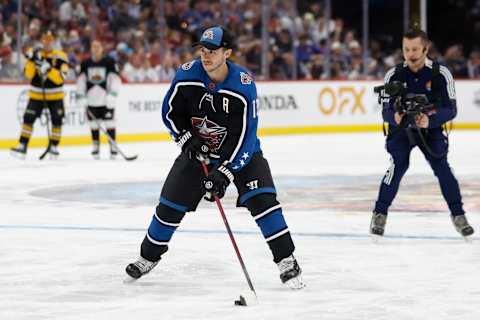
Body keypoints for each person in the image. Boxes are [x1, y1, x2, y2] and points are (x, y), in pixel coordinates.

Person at [126, 26, 304, 289]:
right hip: (199, 152)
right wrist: (187, 139)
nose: (205, 56)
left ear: (228, 53)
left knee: (264, 201)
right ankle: (147, 257)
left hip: (241, 153)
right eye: (203, 50)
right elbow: (169, 113)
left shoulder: (243, 86)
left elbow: (247, 137)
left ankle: (286, 259)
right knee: (169, 206)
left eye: (213, 51)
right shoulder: (187, 75)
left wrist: (227, 172)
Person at [370, 28, 474, 238]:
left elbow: (451, 109)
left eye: (415, 49)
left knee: (443, 168)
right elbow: (385, 110)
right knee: (397, 166)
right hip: (401, 131)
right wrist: (395, 117)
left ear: (426, 48)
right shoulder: (394, 74)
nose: (410, 54)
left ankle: (458, 214)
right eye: (406, 49)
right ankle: (379, 213)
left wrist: (430, 120)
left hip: (431, 130)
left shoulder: (440, 73)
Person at [10, 31, 69, 159]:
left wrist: (48, 69)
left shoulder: (61, 56)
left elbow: (61, 78)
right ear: (42, 40)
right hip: (37, 96)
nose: (47, 42)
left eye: (50, 39)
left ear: (54, 41)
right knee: (28, 119)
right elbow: (28, 75)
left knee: (57, 121)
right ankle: (22, 145)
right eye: (45, 39)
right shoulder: (35, 54)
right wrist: (31, 60)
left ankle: (53, 147)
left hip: (55, 97)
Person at [76, 40, 121, 159]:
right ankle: (96, 146)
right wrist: (81, 96)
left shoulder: (109, 62)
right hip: (91, 100)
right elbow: (81, 81)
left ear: (102, 48)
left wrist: (113, 94)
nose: (95, 49)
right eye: (93, 47)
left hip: (106, 100)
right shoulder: (85, 63)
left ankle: (112, 146)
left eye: (98, 46)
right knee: (93, 124)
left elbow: (115, 79)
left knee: (110, 123)